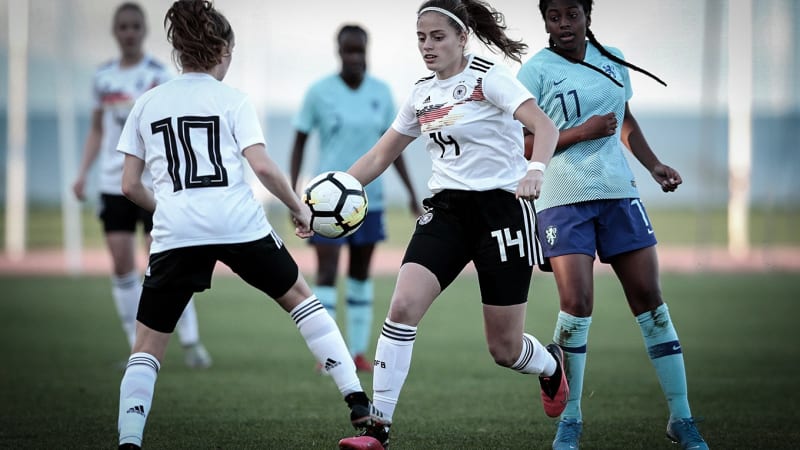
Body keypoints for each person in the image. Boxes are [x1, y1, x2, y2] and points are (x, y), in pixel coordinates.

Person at [114, 1, 383, 448]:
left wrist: (168, 207)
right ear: (222, 51)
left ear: (180, 52)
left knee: (146, 347)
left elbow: (128, 186)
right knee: (301, 300)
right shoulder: (233, 100)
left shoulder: (147, 103)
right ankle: (357, 400)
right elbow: (263, 167)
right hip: (239, 225)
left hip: (177, 230)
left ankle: (129, 439)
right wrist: (298, 207)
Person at [338, 1, 568, 449]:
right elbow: (379, 155)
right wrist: (332, 193)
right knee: (402, 306)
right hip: (446, 211)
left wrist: (536, 168)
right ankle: (377, 429)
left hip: (502, 210)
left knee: (504, 349)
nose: (427, 45)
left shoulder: (490, 78)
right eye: (421, 37)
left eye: (438, 36)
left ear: (463, 38)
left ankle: (550, 365)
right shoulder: (421, 93)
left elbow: (545, 126)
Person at [516, 1, 708, 449]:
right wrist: (581, 132)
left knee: (651, 302)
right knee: (577, 305)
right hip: (563, 200)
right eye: (554, 16)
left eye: (572, 14)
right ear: (545, 20)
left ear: (587, 15)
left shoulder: (612, 58)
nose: (563, 24)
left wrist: (654, 164)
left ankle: (681, 417)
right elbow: (524, 143)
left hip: (619, 194)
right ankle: (572, 421)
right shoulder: (535, 72)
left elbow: (625, 121)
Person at [72, 1, 211, 369]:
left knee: (164, 262)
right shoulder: (103, 78)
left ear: (144, 31)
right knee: (121, 264)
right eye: (123, 27)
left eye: (135, 26)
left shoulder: (158, 74)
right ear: (115, 32)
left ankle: (191, 341)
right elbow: (98, 130)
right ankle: (137, 347)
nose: (129, 32)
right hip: (112, 183)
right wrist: (82, 173)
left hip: (153, 184)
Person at [289, 24, 421, 373]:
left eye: (359, 50)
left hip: (369, 201)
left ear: (367, 50)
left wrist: (410, 193)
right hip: (322, 205)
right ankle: (328, 355)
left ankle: (359, 352)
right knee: (328, 273)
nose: (355, 57)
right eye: (348, 51)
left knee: (361, 275)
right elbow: (300, 142)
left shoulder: (381, 92)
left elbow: (393, 148)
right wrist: (292, 195)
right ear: (338, 51)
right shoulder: (319, 92)